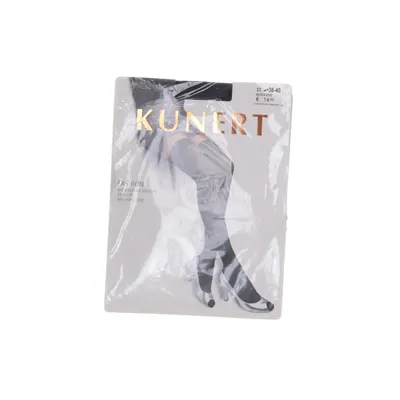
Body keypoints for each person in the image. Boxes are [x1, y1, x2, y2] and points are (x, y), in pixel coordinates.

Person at [131, 78, 274, 312]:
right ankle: (231, 270)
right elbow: (147, 88)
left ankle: (205, 263)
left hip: (179, 118)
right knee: (209, 174)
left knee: (225, 166)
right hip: (155, 123)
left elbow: (191, 89)